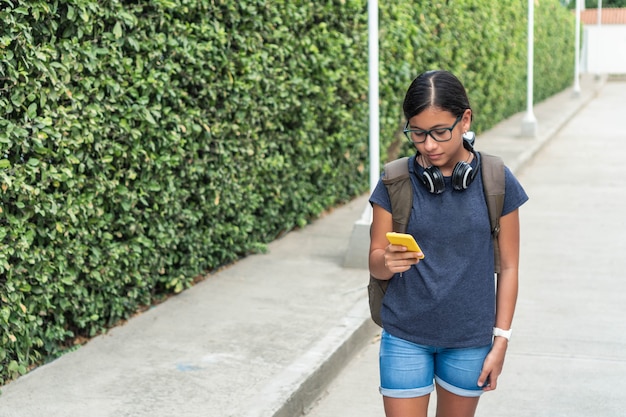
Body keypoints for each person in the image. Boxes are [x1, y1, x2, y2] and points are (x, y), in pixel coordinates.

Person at [368, 70, 528, 417]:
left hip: (469, 341)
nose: (429, 145)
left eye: (440, 132)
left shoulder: (497, 179)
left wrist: (501, 340)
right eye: (418, 133)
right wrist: (387, 261)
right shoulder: (394, 180)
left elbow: (510, 267)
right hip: (405, 337)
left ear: (465, 119)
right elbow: (375, 261)